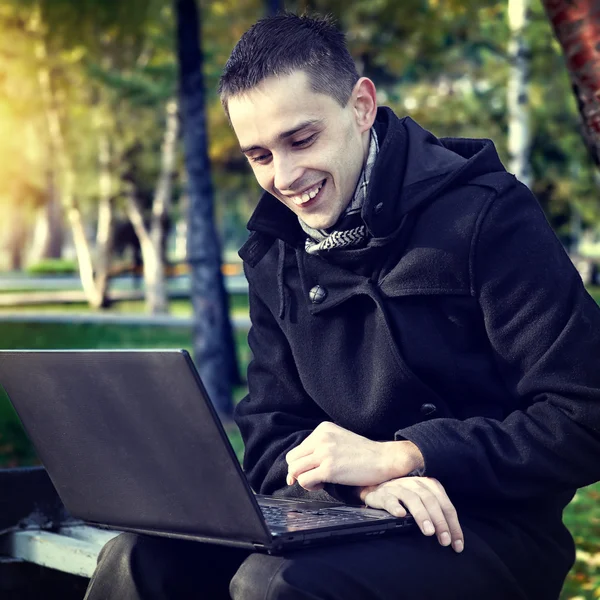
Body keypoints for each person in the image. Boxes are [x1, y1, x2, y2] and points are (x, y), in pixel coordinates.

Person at [84, 12, 600, 600]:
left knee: (276, 584)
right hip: (344, 513)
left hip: (486, 527)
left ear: (360, 106)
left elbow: (584, 412)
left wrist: (410, 456)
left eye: (301, 139)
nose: (285, 176)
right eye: (258, 155)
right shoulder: (275, 252)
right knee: (138, 559)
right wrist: (357, 489)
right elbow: (270, 437)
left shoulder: (486, 215)